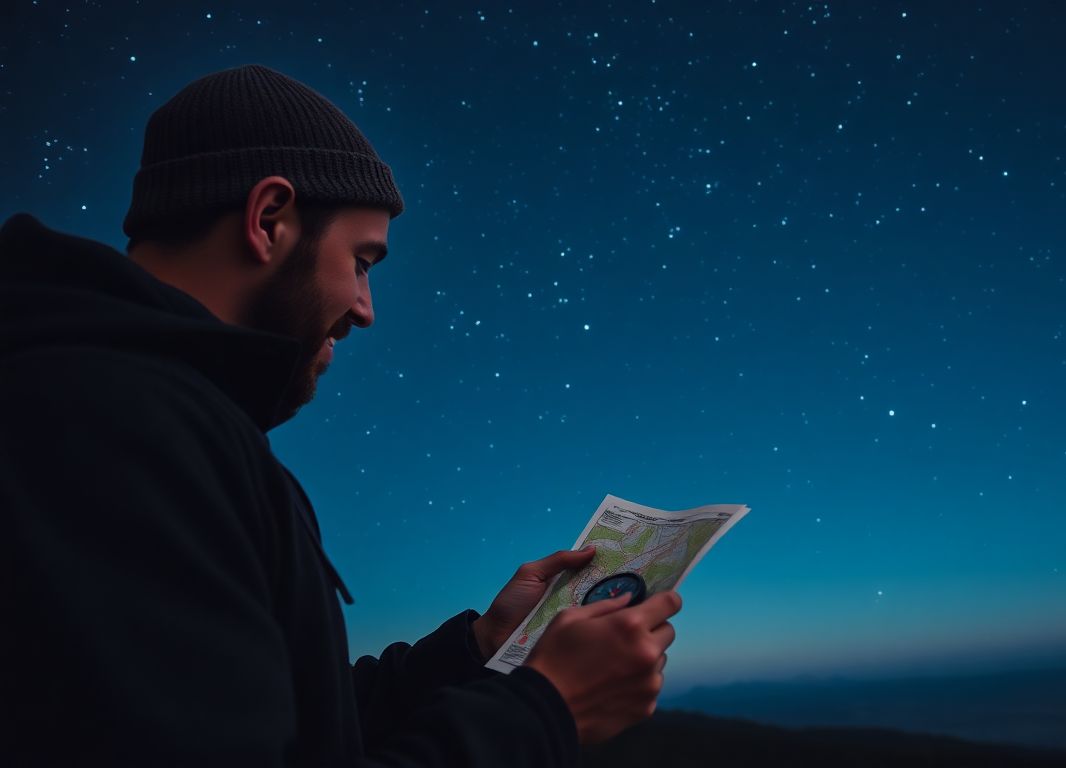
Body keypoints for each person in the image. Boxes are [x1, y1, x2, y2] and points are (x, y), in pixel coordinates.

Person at [0, 64, 680, 766]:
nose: (365, 308)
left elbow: (287, 726)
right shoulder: (109, 425)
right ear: (269, 220)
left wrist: (478, 649)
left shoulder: (152, 413)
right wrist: (544, 711)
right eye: (361, 261)